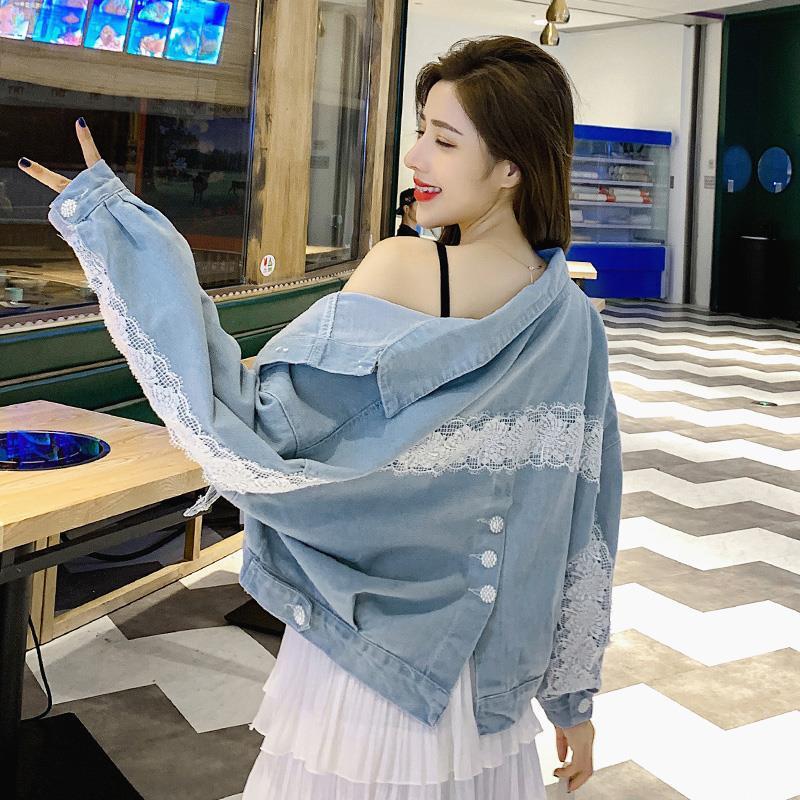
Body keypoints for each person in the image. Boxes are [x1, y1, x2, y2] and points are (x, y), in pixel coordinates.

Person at [18, 35, 621, 799]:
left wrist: (120, 235)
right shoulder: (574, 322)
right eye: (421, 133)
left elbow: (254, 426)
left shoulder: (406, 266)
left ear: (512, 167)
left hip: (375, 669)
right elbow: (586, 528)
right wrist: (573, 701)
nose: (416, 157)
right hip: (491, 685)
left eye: (443, 140)